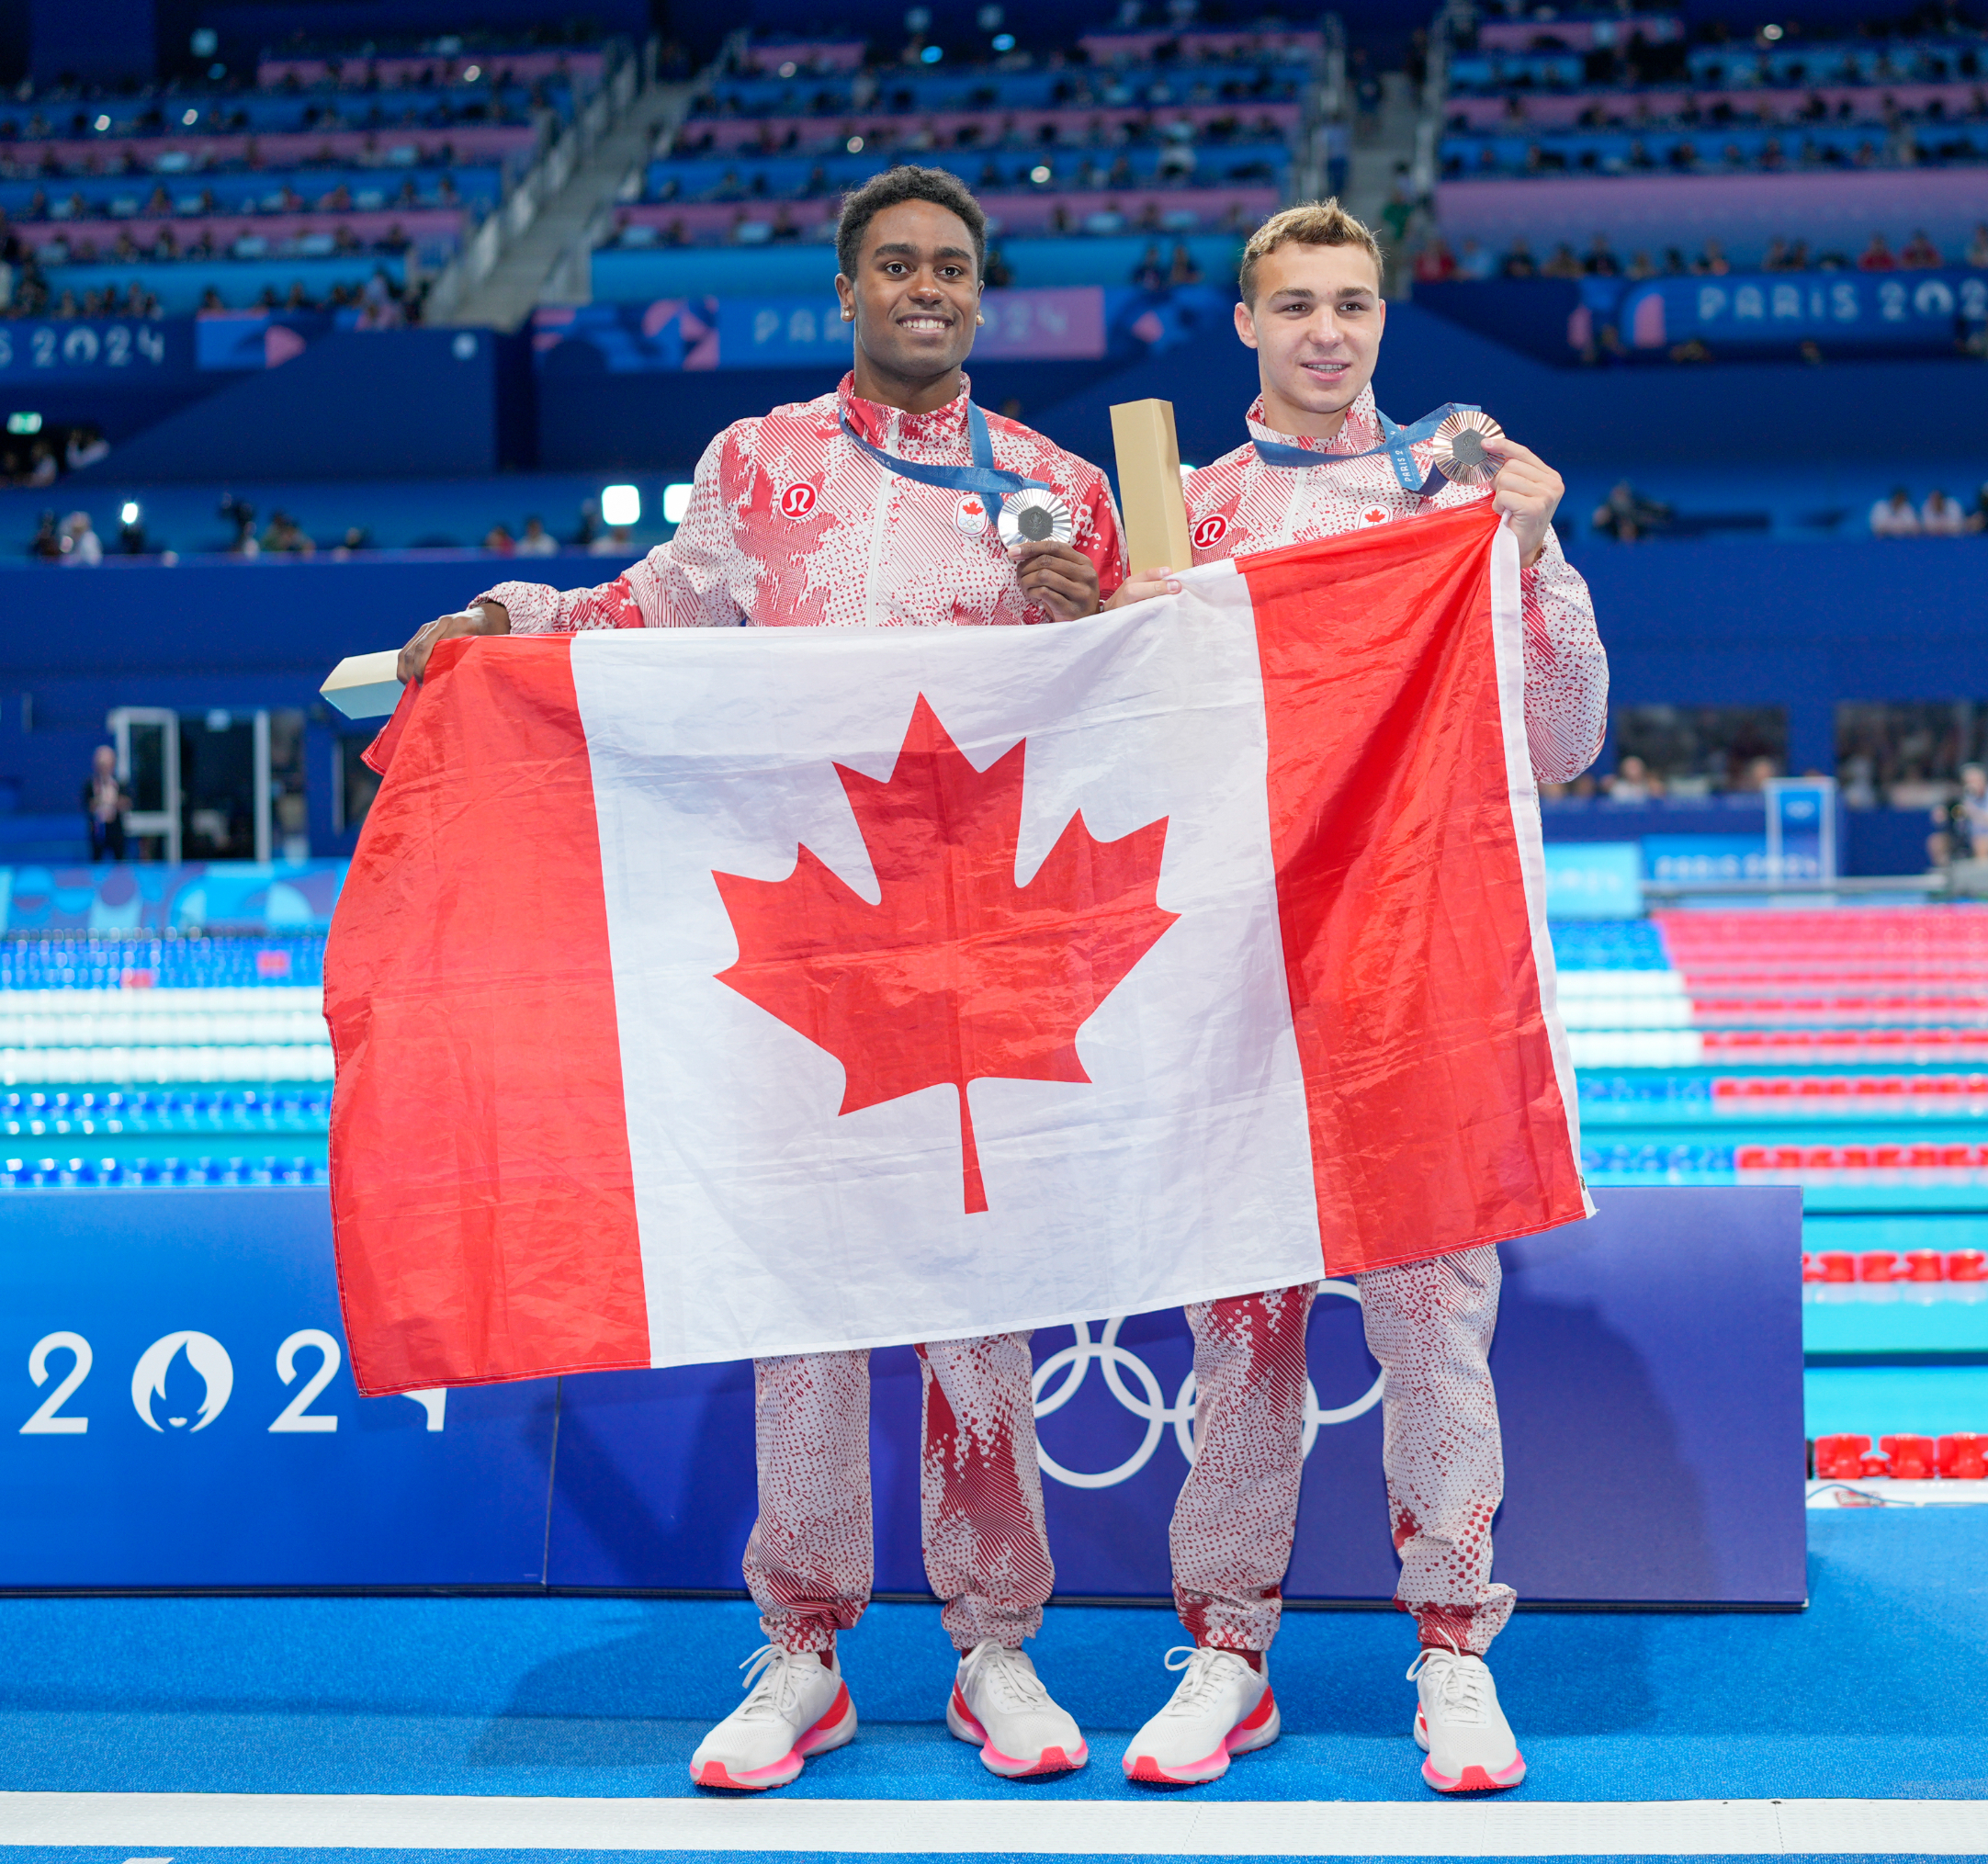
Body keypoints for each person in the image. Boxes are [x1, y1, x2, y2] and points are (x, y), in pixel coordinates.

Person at [393, 164, 1146, 1795]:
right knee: (804, 1302)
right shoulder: (764, 464)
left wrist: (1099, 619)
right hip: (807, 949)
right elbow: (653, 603)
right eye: (896, 266)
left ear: (980, 291)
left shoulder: (1058, 485)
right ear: (849, 292)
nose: (926, 288)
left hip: (983, 950)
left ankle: (994, 1640)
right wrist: (512, 622)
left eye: (952, 266)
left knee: (977, 1311)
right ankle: (802, 1645)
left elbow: (1144, 698)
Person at [1141, 198, 1606, 1797]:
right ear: (1246, 324)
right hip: (1239, 988)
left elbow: (1562, 736)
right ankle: (1226, 1648)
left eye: (1352, 302)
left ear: (1384, 322)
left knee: (1434, 1329)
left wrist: (1534, 555)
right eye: (1295, 303)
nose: (1326, 329)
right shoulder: (1185, 516)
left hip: (1419, 976)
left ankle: (1455, 1649)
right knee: (1241, 1335)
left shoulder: (1461, 489)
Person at [1927, 761, 1988, 867]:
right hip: (1968, 837)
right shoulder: (1967, 796)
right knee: (1937, 842)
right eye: (1968, 781)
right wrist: (1946, 813)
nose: (1972, 784)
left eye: (1975, 781)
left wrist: (1974, 812)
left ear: (1984, 780)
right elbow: (1958, 815)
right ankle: (1946, 874)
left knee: (1981, 843)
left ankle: (1982, 879)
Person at [82, 744, 127, 860]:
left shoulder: (120, 784)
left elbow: (127, 803)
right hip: (98, 829)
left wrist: (114, 801)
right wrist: (100, 799)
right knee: (97, 861)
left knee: (120, 861)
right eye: (102, 765)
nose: (105, 769)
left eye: (107, 765)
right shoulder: (90, 785)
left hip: (116, 829)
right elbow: (87, 805)